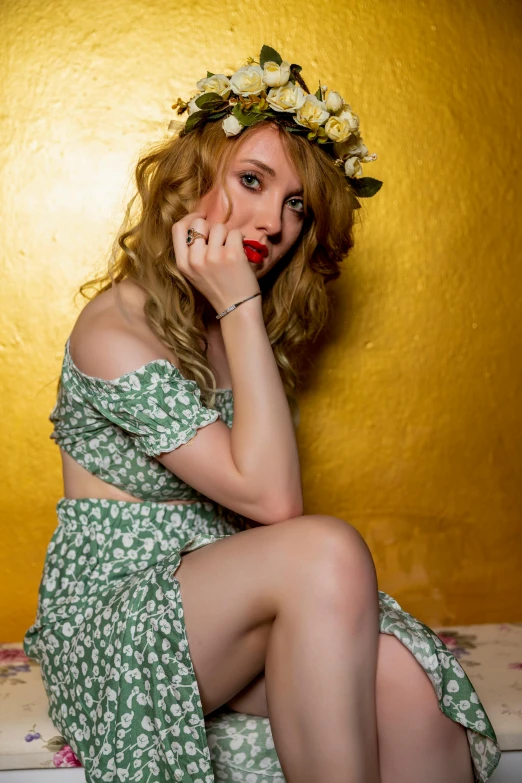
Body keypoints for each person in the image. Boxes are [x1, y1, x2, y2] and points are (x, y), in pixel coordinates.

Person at [24, 45, 500, 783]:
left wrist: (239, 315)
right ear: (191, 178)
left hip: (227, 605)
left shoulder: (239, 331)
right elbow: (279, 507)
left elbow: (267, 520)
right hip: (116, 619)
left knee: (406, 682)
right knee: (326, 547)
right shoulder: (113, 330)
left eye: (294, 205)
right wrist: (242, 302)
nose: (272, 221)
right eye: (251, 180)